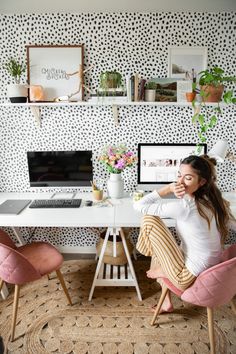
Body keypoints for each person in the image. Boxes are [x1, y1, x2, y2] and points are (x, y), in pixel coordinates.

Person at [133, 155, 236, 313]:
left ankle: (153, 261)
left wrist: (167, 189)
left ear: (201, 182)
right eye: (179, 176)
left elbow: (139, 205)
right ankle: (166, 297)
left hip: (186, 277)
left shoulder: (184, 207)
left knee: (149, 220)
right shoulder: (215, 201)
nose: (180, 182)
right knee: (158, 248)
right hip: (209, 270)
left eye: (188, 178)